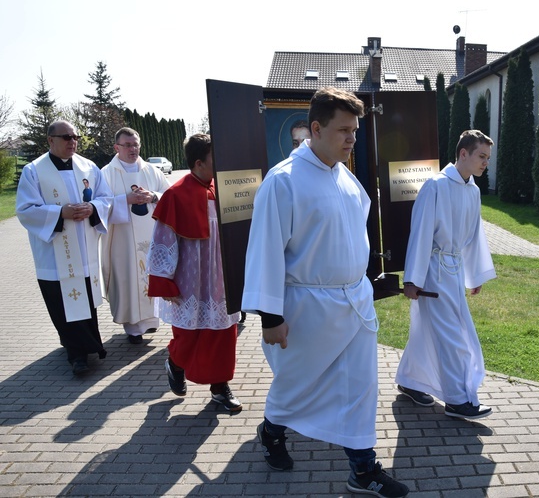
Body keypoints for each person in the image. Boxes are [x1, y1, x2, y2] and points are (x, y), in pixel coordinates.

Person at [242, 86, 409, 498]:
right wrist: (271, 318)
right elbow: (264, 251)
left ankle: (363, 470)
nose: (352, 138)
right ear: (314, 129)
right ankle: (271, 431)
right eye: (344, 130)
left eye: (355, 130)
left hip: (354, 302)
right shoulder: (283, 181)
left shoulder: (345, 176)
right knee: (297, 384)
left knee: (360, 387)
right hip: (307, 307)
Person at [395, 129, 497, 421]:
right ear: (463, 153)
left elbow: (475, 235)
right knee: (453, 336)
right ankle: (456, 400)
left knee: (432, 329)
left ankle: (410, 380)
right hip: (433, 273)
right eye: (481, 156)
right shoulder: (435, 186)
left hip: (453, 272)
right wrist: (413, 279)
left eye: (488, 159)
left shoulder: (473, 190)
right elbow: (421, 232)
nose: (484, 163)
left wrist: (473, 274)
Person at [146, 133, 242, 412]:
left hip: (221, 277)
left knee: (224, 332)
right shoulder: (175, 195)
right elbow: (162, 242)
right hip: (190, 277)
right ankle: (175, 363)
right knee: (188, 335)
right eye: (216, 158)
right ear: (199, 163)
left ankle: (220, 387)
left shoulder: (225, 189)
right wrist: (164, 280)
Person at [15, 120, 113, 376]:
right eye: (66, 137)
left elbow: (106, 199)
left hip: (84, 252)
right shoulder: (34, 171)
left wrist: (93, 208)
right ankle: (77, 355)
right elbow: (25, 211)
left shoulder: (88, 167)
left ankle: (90, 345)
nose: (72, 141)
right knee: (64, 304)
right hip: (56, 256)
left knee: (84, 303)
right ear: (50, 140)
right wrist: (61, 212)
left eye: (75, 136)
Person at [101, 128, 171, 345]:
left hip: (151, 235)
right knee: (128, 278)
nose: (133, 149)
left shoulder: (152, 171)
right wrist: (125, 200)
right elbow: (101, 205)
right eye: (128, 145)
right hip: (122, 239)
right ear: (117, 147)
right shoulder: (106, 173)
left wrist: (153, 196)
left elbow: (169, 196)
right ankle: (132, 328)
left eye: (136, 145)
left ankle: (151, 321)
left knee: (151, 275)